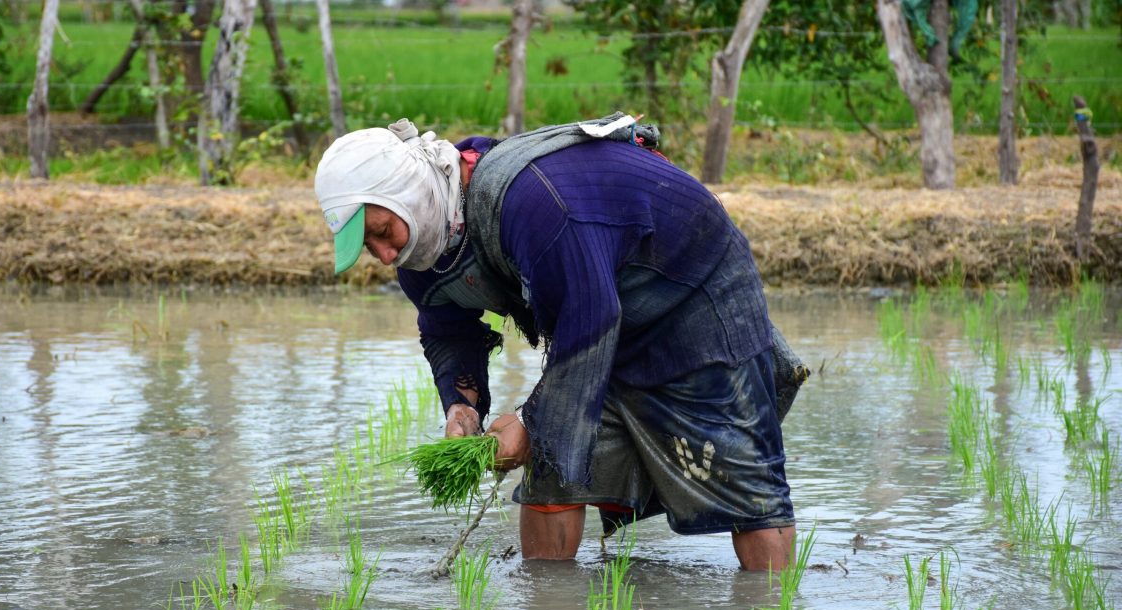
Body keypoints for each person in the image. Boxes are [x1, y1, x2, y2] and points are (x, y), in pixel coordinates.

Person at [314, 113, 806, 570]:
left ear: (407, 193)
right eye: (367, 246)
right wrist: (461, 408)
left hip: (693, 298)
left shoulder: (534, 203)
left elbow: (589, 319)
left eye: (381, 231)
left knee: (747, 489)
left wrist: (530, 422)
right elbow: (448, 331)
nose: (383, 254)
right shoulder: (425, 248)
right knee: (552, 474)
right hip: (600, 314)